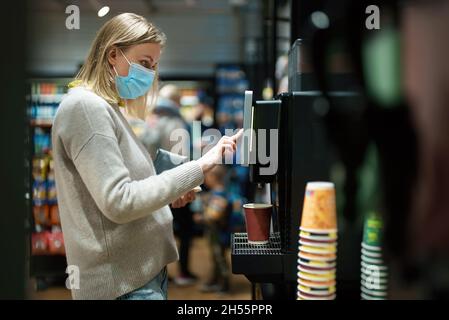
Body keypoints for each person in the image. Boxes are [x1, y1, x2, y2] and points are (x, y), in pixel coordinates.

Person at [52, 13, 241, 300]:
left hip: (139, 275)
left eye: (153, 65)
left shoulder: (106, 107)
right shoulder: (85, 108)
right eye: (143, 63)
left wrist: (178, 183)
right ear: (113, 54)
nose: (150, 73)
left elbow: (137, 165)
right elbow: (119, 200)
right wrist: (199, 166)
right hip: (122, 285)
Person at [199, 165, 232, 293]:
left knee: (220, 259)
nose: (205, 179)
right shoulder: (217, 192)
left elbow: (214, 215)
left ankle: (224, 285)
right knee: (216, 258)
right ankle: (216, 280)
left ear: (213, 177)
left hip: (219, 234)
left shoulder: (219, 194)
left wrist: (202, 217)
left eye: (206, 176)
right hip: (215, 234)